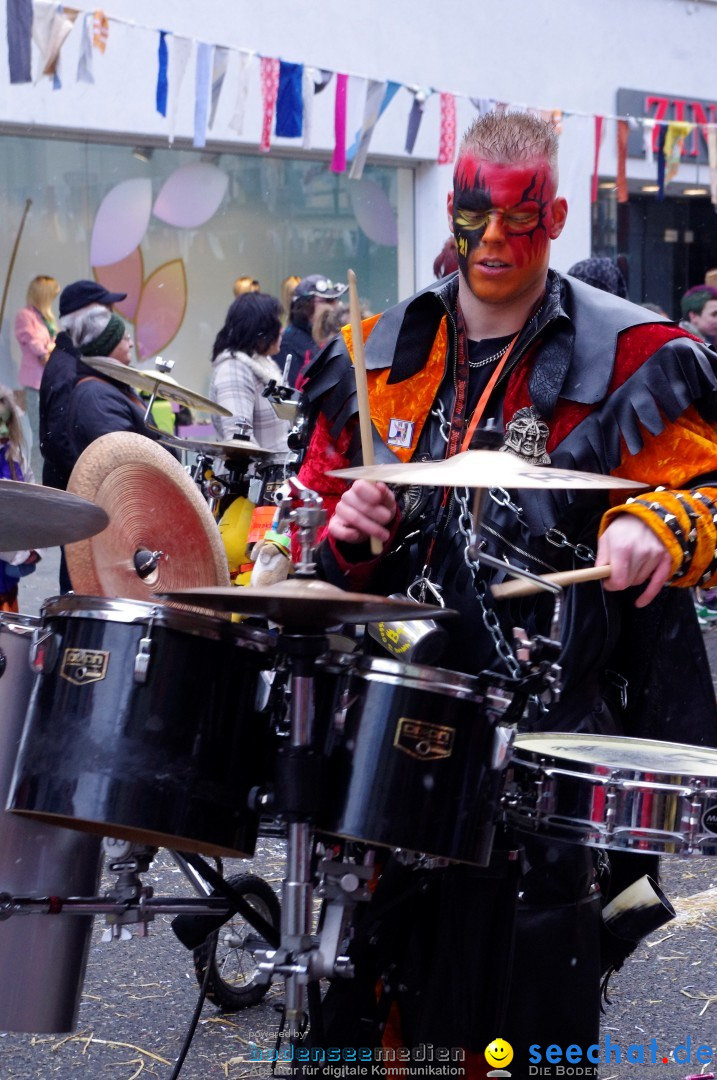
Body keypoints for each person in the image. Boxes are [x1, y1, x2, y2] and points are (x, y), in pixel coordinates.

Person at [297, 111, 717, 1075]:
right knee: (370, 1009)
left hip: (545, 755)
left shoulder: (632, 355)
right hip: (391, 744)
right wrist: (346, 538)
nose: (489, 241)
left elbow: (708, 496)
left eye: (516, 219)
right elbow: (315, 549)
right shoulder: (378, 355)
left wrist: (656, 525)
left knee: (515, 1032)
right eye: (471, 214)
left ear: (557, 214)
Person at [65, 306, 164, 463]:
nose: (131, 344)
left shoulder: (110, 387)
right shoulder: (96, 397)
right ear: (108, 345)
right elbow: (124, 462)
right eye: (125, 338)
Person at [209, 291, 290, 456]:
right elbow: (239, 441)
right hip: (256, 479)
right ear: (259, 330)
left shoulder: (264, 363)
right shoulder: (233, 370)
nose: (281, 330)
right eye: (276, 324)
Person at [14, 274, 60, 477]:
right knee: (38, 432)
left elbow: (54, 344)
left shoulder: (45, 318)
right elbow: (31, 340)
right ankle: (36, 478)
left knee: (49, 433)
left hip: (48, 381)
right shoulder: (25, 316)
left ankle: (47, 475)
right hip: (34, 383)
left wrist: (48, 350)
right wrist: (45, 352)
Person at [0, 386, 40, 611]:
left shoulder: (15, 457)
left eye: (7, 422)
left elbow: (35, 504)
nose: (4, 430)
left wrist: (35, 548)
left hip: (7, 585)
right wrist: (19, 554)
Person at [274, 274, 348, 388]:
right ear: (306, 305)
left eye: (336, 299)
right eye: (328, 300)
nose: (336, 305)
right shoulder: (287, 343)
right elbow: (292, 395)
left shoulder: (326, 337)